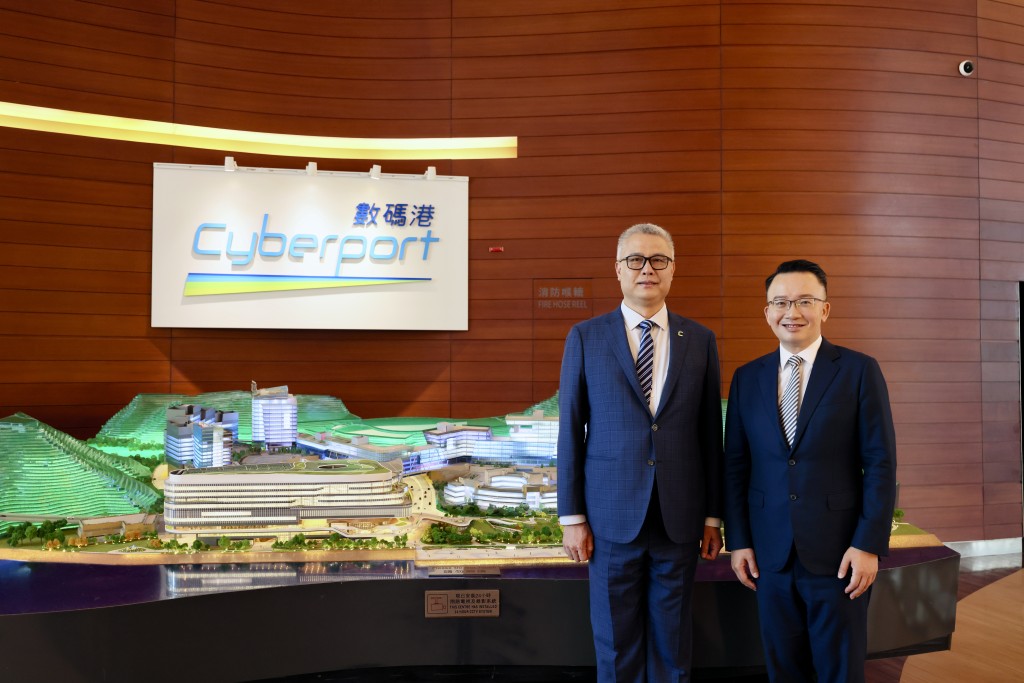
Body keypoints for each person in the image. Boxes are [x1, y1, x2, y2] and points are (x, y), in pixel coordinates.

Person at [557, 222, 724, 683]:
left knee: (674, 645)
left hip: (680, 518)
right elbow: (570, 430)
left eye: (658, 260)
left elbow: (710, 435)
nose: (647, 268)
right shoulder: (586, 337)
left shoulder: (700, 340)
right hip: (609, 519)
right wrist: (572, 516)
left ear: (672, 269)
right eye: (636, 259)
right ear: (618, 269)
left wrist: (713, 516)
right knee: (615, 645)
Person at [724, 259, 897, 683]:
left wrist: (868, 544)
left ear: (825, 309)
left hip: (840, 556)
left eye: (804, 301)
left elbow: (880, 462)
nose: (792, 312)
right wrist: (739, 540)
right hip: (770, 557)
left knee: (840, 671)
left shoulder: (858, 370)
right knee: (784, 670)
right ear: (767, 311)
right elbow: (736, 465)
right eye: (781, 302)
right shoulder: (747, 377)